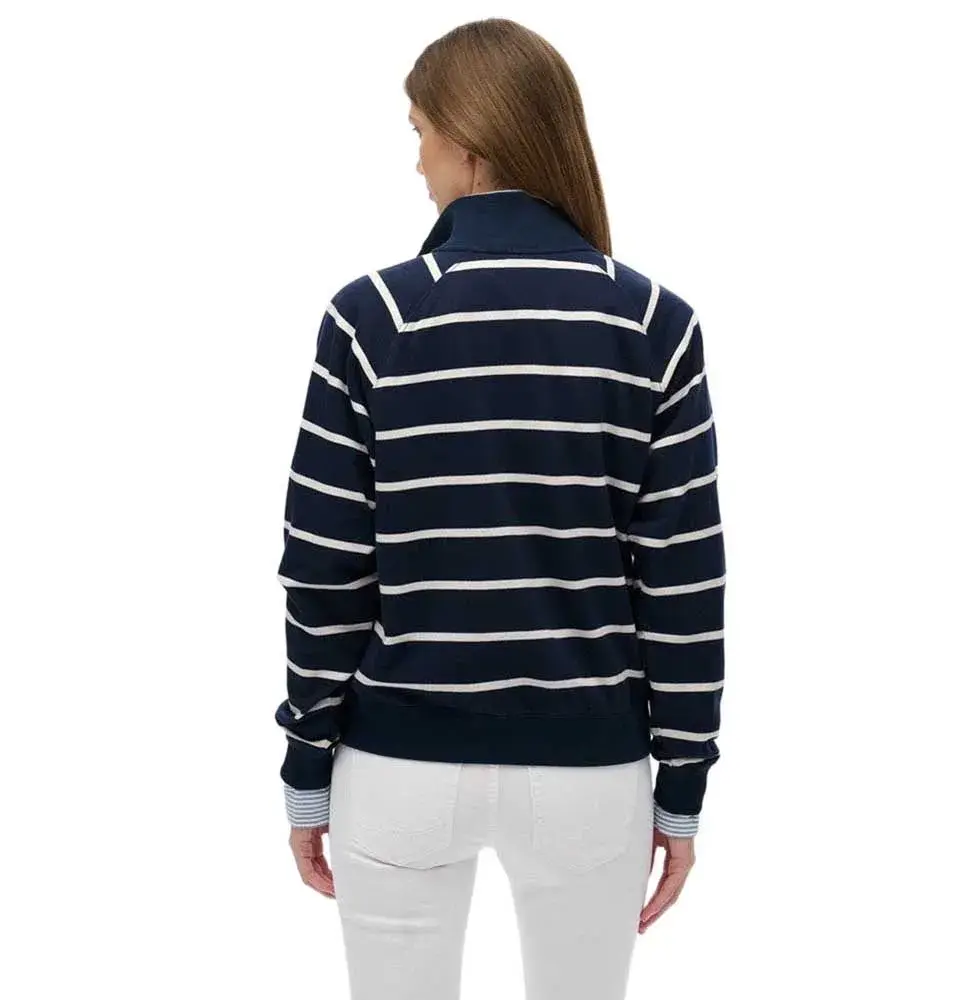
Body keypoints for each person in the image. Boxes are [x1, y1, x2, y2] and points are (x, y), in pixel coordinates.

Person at [273, 16, 725, 1000]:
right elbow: (684, 583)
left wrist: (306, 760)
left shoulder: (373, 317)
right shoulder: (654, 323)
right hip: (589, 771)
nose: (417, 163)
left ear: (471, 141)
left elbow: (323, 568)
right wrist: (682, 786)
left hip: (397, 763)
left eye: (419, 132)